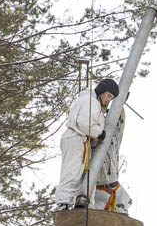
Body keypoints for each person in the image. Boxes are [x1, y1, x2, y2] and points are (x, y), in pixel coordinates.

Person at [53, 78, 118, 210]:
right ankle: (63, 203)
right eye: (108, 96)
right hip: (75, 137)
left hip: (82, 140)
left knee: (85, 176)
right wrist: (99, 133)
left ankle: (82, 203)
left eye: (111, 98)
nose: (108, 100)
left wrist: (94, 137)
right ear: (102, 91)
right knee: (72, 171)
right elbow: (84, 123)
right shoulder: (90, 101)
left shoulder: (95, 104)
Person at [91, 102, 132, 214]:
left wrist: (120, 102)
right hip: (97, 192)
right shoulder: (87, 145)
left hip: (114, 189)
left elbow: (120, 124)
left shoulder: (113, 139)